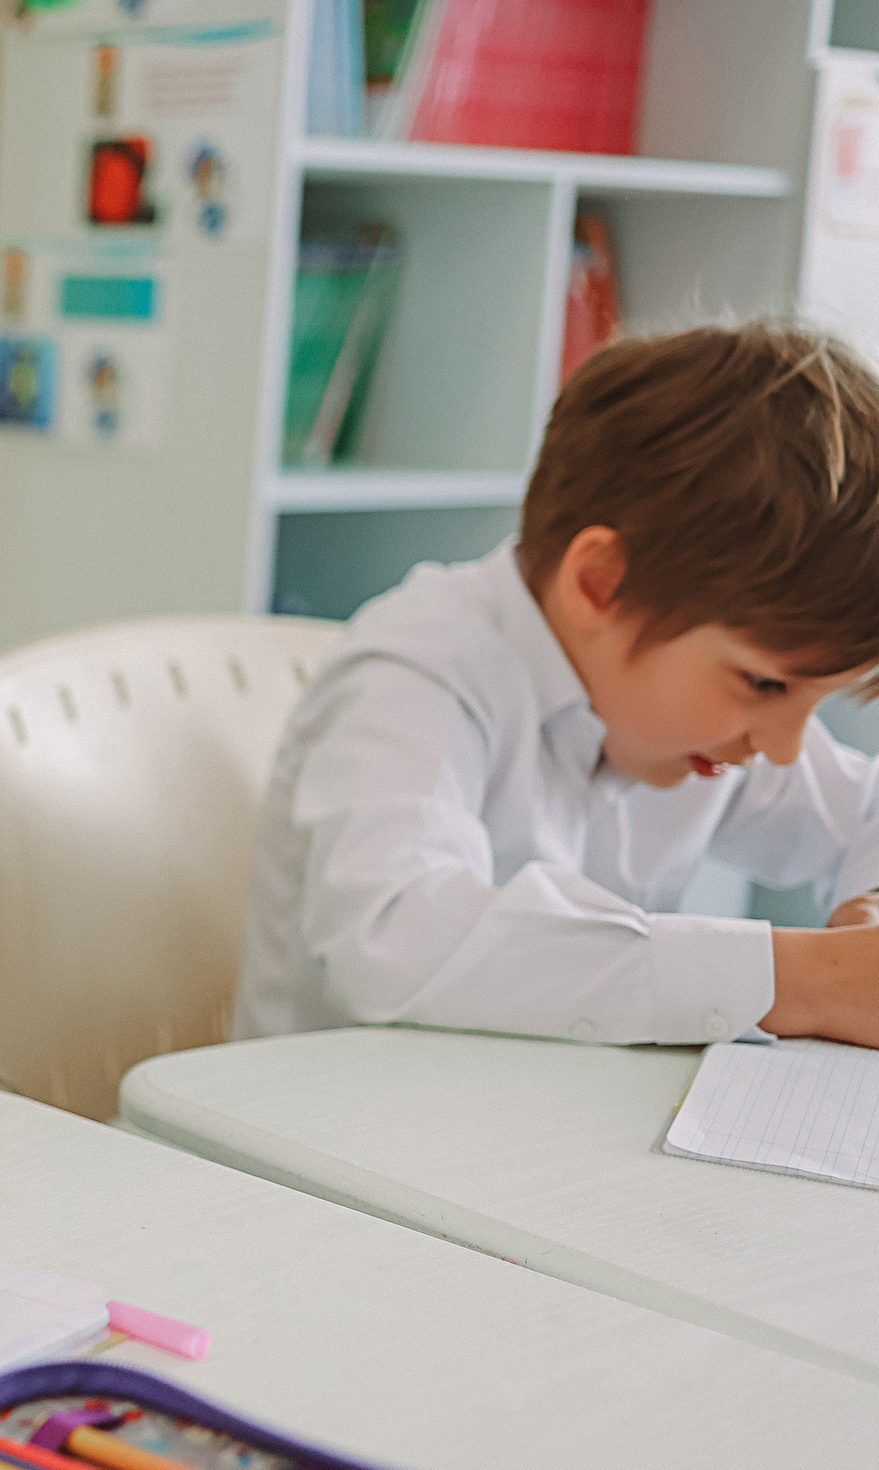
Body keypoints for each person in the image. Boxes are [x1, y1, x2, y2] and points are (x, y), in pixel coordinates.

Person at [236, 321, 879, 1048]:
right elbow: (392, 935)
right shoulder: (420, 667)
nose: (786, 747)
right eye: (765, 684)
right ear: (601, 585)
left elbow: (867, 810)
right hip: (307, 1140)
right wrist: (803, 980)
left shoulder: (697, 723)